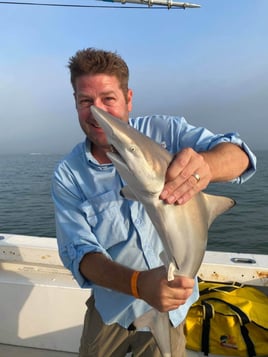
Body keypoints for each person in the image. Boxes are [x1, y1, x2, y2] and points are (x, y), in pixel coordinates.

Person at [51, 48, 256, 357]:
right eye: (85, 102)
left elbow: (240, 155)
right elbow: (79, 254)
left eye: (108, 99)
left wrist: (208, 166)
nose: (97, 113)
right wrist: (139, 285)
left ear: (128, 98)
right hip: (111, 309)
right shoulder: (69, 175)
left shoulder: (168, 132)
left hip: (172, 308)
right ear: (75, 104)